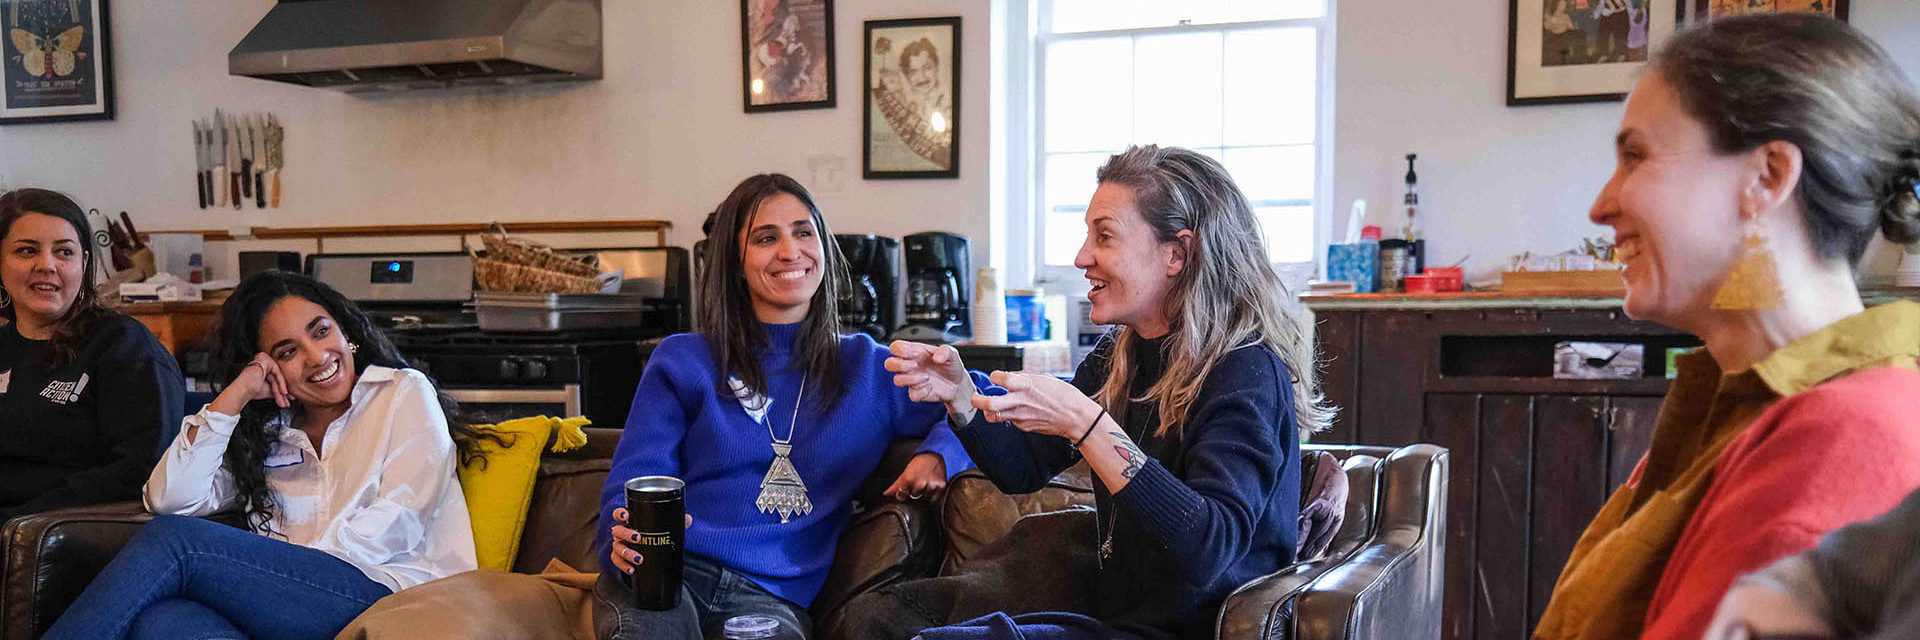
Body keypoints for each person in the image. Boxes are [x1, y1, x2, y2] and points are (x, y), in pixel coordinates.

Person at [840, 144, 1333, 640]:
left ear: (1176, 254)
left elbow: (1207, 547)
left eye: (1105, 237)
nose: (1081, 258)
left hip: (1182, 630)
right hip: (1112, 615)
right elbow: (1022, 468)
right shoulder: (1119, 355)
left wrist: (1088, 425)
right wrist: (961, 396)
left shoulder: (1245, 370)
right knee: (871, 621)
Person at [1533, 14, 1920, 640]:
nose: (1602, 205)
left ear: (1767, 175)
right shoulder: (1734, 405)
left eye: (1636, 156)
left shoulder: (1845, 438)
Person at [591, 173, 975, 640]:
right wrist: (623, 537)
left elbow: (980, 402)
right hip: (668, 574)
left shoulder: (870, 368)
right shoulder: (681, 360)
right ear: (735, 262)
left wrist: (939, 454)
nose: (791, 252)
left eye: (803, 232)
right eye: (765, 238)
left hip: (769, 598)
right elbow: (633, 481)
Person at [42, 271, 501, 640]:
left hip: (395, 597)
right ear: (267, 367)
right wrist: (236, 396)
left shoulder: (400, 393)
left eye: (321, 331)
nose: (318, 356)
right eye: (288, 351)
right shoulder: (266, 436)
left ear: (346, 331)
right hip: (296, 607)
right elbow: (170, 498)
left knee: (177, 542)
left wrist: (278, 576)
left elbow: (402, 516)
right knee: (165, 622)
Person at [0, 188, 183, 522]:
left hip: (65, 534)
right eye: (27, 251)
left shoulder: (123, 346)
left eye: (64, 252)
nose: (47, 265)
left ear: (83, 263)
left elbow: (141, 468)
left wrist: (16, 521)